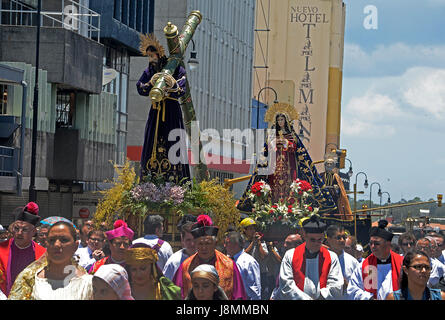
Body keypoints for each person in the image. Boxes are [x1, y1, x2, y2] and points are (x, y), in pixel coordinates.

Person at [237, 107, 336, 215]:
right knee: (273, 187)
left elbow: (296, 149)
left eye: (282, 120)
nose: (280, 122)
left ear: (286, 121)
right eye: (278, 120)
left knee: (289, 188)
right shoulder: (271, 135)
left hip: (289, 167)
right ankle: (273, 208)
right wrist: (273, 144)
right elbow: (266, 151)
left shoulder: (292, 135)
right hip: (274, 167)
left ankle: (290, 208)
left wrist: (286, 143)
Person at [137, 33, 190, 183]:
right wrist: (150, 83)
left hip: (172, 112)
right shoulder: (150, 72)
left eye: (152, 56)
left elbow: (181, 89)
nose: (151, 60)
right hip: (156, 111)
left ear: (159, 54)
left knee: (174, 143)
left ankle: (176, 181)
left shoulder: (176, 69)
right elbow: (140, 87)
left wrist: (171, 84)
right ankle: (149, 178)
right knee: (152, 141)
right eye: (148, 57)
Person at [8, 221, 93, 300]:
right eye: (52, 240)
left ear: (75, 246)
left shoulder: (87, 284)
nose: (56, 245)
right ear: (46, 244)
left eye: (64, 240)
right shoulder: (29, 280)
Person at [173, 214, 247, 300]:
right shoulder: (185, 266)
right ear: (195, 244)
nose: (204, 248)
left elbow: (239, 296)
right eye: (200, 243)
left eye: (208, 243)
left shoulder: (229, 265)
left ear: (215, 243)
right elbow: (175, 295)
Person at [275, 215, 343, 300]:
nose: (316, 243)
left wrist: (321, 297)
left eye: (320, 240)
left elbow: (336, 285)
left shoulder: (332, 257)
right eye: (312, 240)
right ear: (304, 235)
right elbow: (286, 285)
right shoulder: (290, 255)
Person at [347, 220, 403, 300]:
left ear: (387, 244)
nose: (373, 246)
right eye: (371, 243)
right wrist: (369, 298)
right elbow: (352, 290)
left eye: (377, 243)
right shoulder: (364, 266)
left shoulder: (402, 263)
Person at [0, 202, 46, 297]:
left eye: (24, 229)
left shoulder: (43, 254)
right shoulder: (1, 249)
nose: (19, 233)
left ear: (33, 232)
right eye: (16, 228)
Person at [239, 217, 271, 299]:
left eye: (253, 228)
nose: (253, 231)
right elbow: (242, 255)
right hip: (248, 274)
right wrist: (253, 243)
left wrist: (259, 243)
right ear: (244, 231)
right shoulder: (241, 243)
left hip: (262, 274)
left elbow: (264, 256)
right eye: (250, 229)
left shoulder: (261, 242)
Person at [224, 231, 261, 300]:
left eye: (226, 243)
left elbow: (254, 289)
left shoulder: (249, 262)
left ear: (236, 244)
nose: (224, 246)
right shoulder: (225, 260)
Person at [325, 224, 358, 299]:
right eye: (338, 238)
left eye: (344, 237)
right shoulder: (321, 259)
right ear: (329, 239)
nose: (342, 240)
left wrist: (347, 285)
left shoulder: (352, 262)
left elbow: (359, 286)